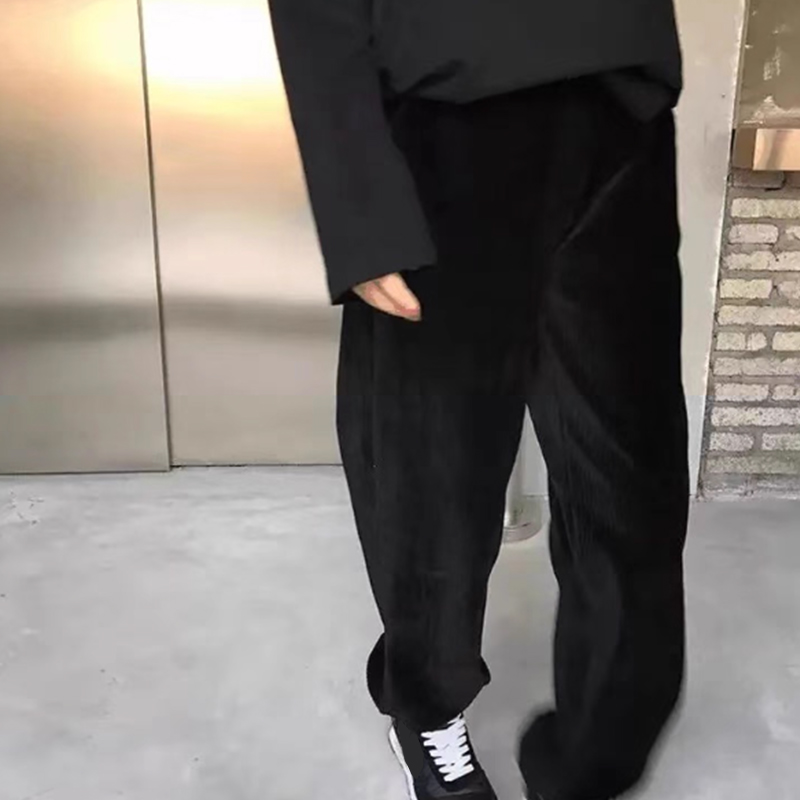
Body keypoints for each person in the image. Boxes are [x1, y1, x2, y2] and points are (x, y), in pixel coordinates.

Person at [268, 2, 690, 799]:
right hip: (448, 123)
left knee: (630, 472)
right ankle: (428, 710)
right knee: (434, 473)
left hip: (621, 109)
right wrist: (360, 206)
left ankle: (603, 737)